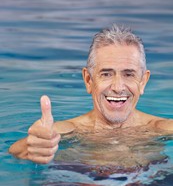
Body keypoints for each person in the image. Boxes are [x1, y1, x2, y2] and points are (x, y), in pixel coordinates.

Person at [9, 24, 173, 165]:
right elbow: (16, 149)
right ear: (88, 80)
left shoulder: (160, 129)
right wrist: (30, 148)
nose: (117, 87)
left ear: (143, 81)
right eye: (106, 74)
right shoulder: (69, 131)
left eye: (129, 74)